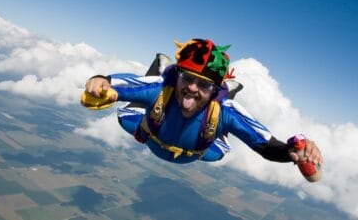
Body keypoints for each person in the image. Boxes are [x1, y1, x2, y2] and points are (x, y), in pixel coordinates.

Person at [84, 38, 323, 169]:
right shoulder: (160, 90)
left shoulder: (228, 113)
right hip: (152, 133)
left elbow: (267, 147)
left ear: (214, 90)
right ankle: (160, 65)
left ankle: (228, 91)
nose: (191, 88)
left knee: (219, 143)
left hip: (202, 148)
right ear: (176, 76)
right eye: (187, 79)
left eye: (204, 85)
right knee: (125, 115)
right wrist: (101, 82)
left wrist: (292, 151)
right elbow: (121, 84)